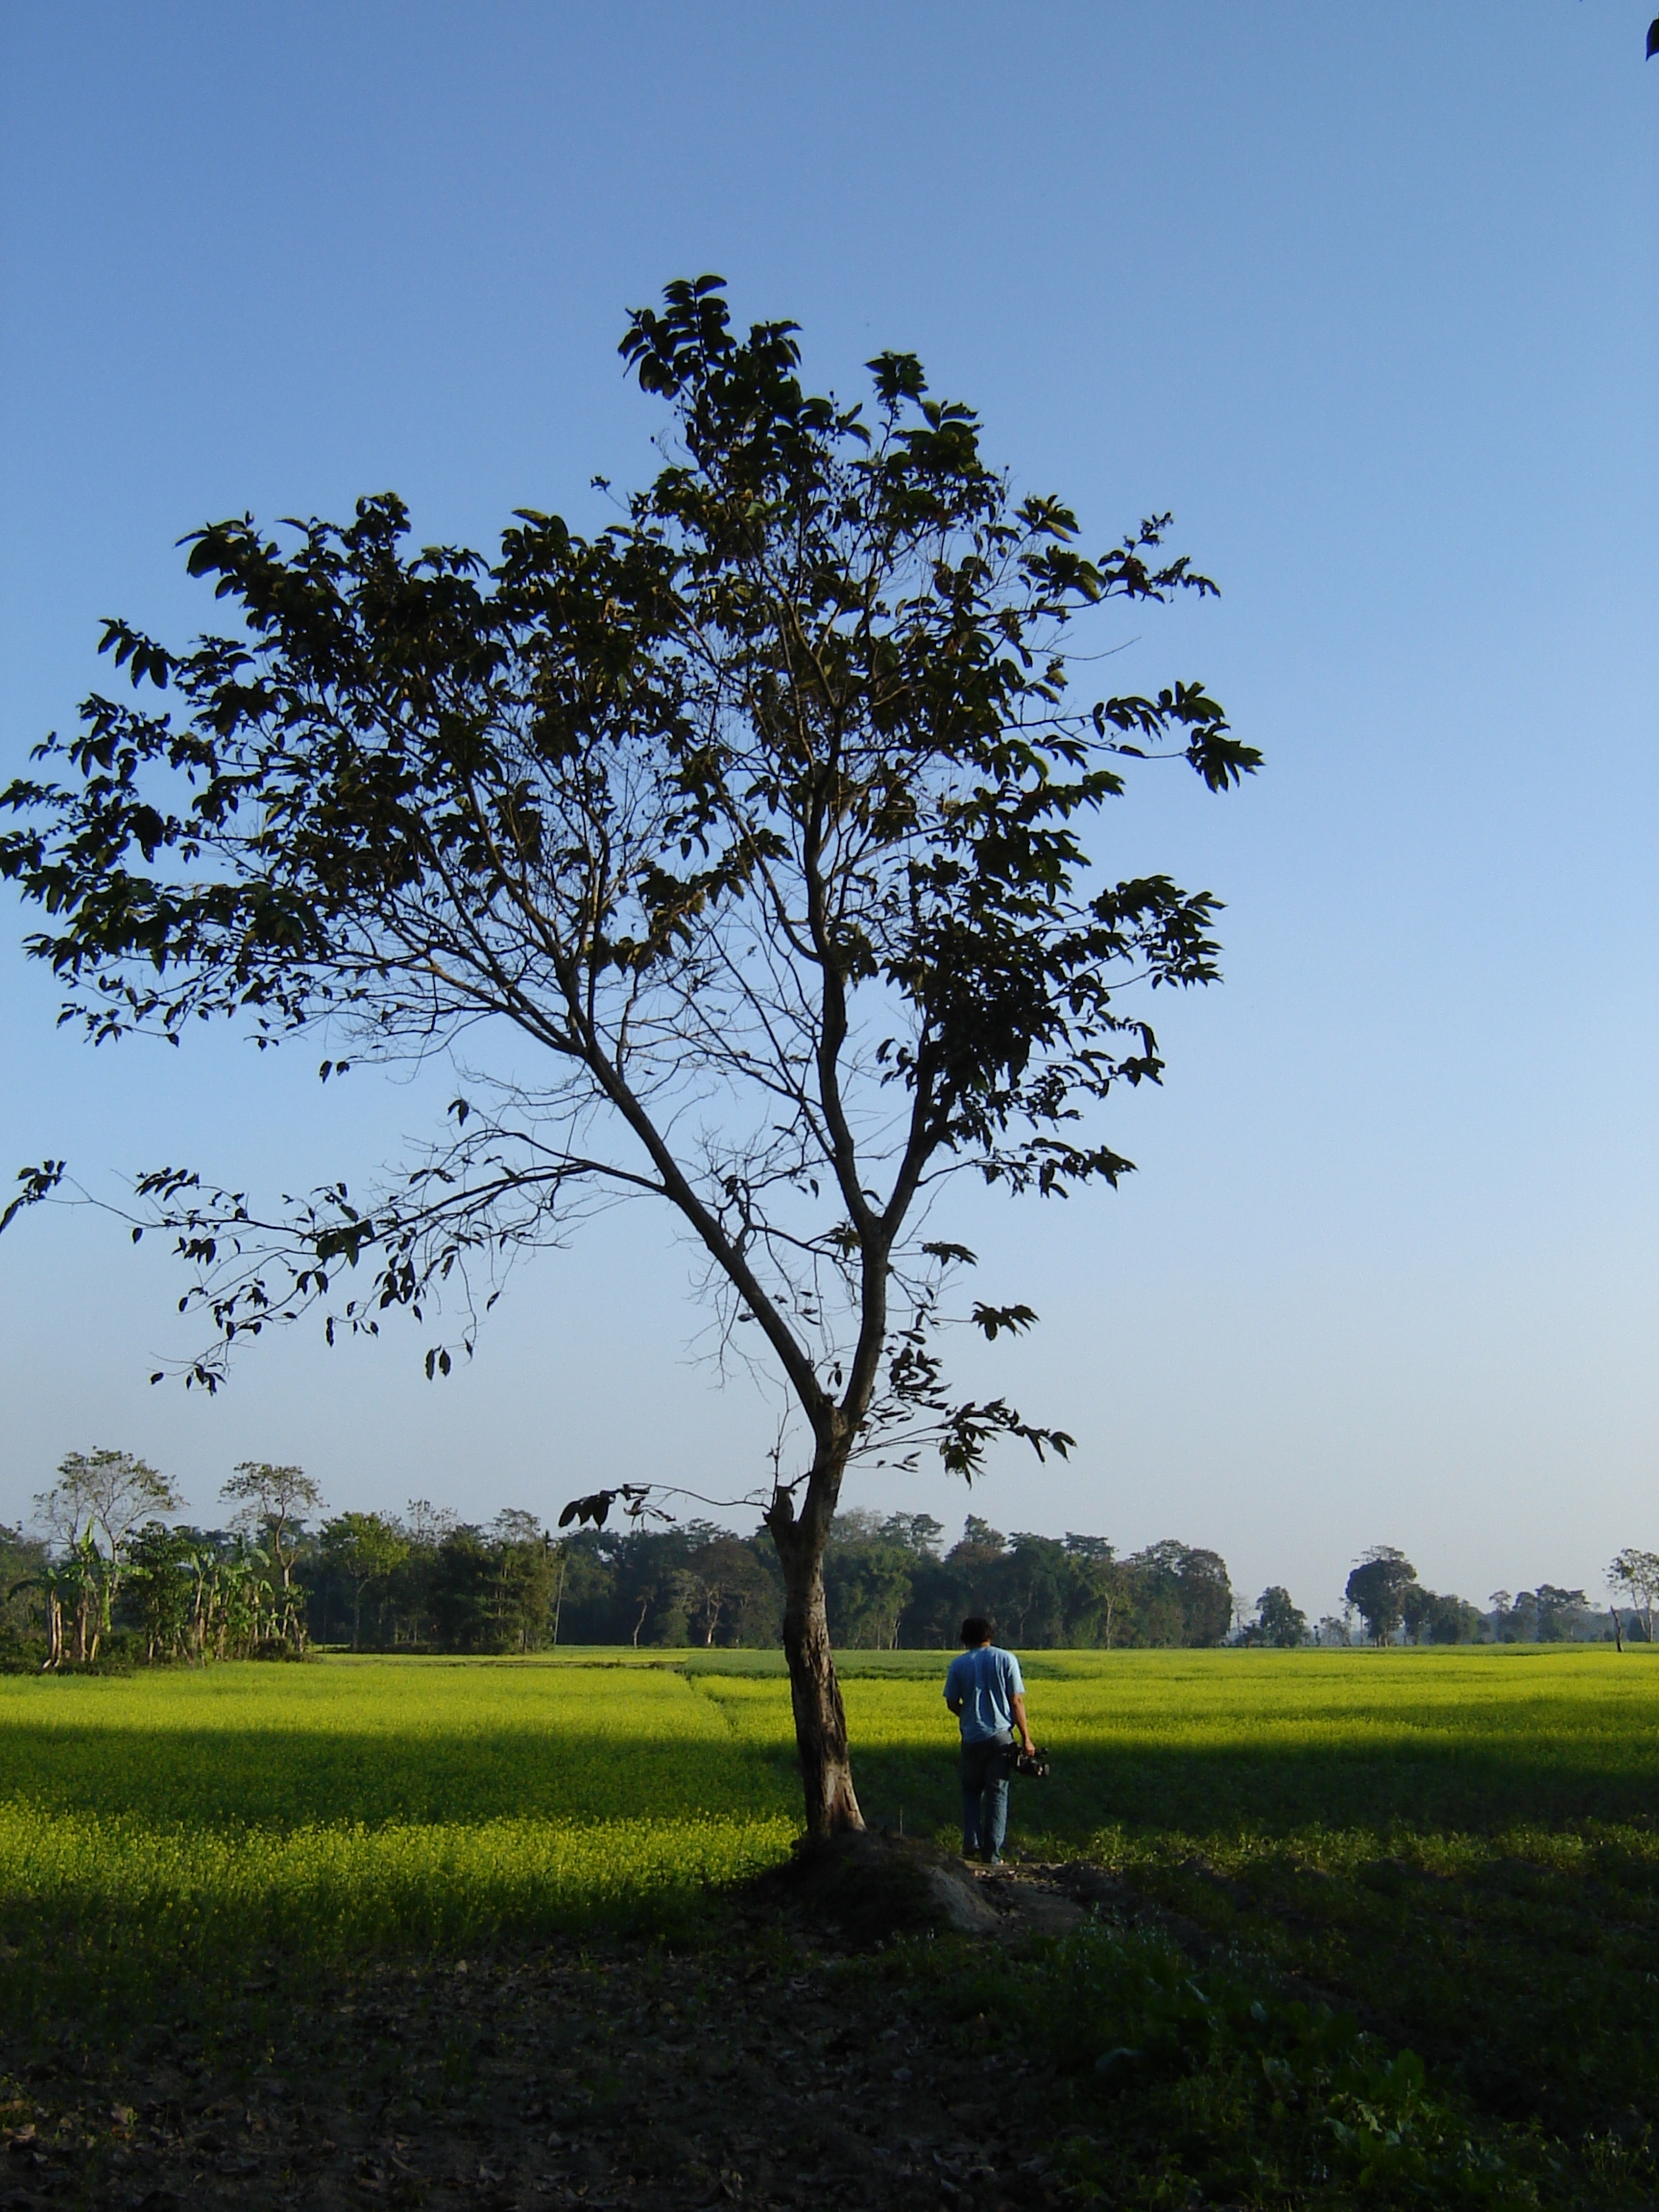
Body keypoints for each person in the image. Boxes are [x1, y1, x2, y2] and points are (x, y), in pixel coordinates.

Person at [944, 1615, 1035, 1867]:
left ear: (965, 1638)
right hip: (1000, 1738)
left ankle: (971, 1842)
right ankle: (992, 1855)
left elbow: (951, 1702)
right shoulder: (1006, 1659)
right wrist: (1027, 1739)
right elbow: (1016, 1701)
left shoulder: (958, 1665)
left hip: (971, 1738)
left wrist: (969, 1715)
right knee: (997, 1794)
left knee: (971, 1790)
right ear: (990, 1634)